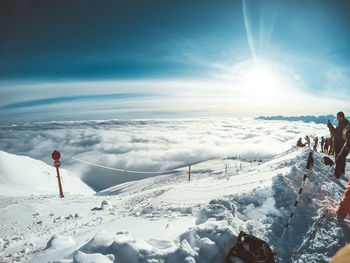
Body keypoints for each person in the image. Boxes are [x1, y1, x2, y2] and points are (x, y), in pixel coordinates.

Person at [327, 112, 349, 178]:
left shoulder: (343, 124)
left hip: (340, 145)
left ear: (341, 117)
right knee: (342, 158)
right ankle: (342, 172)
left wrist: (330, 126)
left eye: (337, 117)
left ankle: (337, 175)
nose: (336, 118)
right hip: (344, 145)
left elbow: (337, 134)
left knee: (338, 159)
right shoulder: (346, 123)